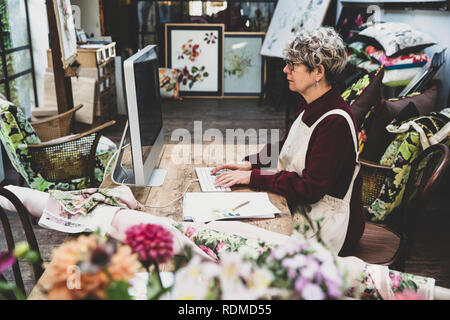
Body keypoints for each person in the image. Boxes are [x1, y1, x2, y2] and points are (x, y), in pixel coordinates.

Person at [211, 27, 365, 255]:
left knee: (238, 240)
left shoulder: (335, 122)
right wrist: (251, 164)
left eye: (292, 65)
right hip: (304, 209)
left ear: (318, 72)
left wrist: (253, 177)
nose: (285, 70)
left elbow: (310, 188)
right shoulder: (312, 104)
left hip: (327, 226)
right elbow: (287, 144)